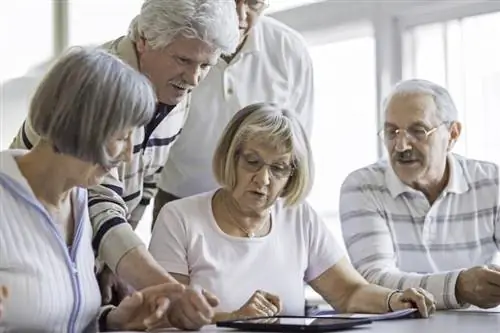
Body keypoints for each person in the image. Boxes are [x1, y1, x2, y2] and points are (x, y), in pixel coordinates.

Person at [9, 0, 239, 328]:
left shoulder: (177, 90)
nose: (194, 79)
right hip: (38, 236)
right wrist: (167, 289)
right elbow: (100, 204)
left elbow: (145, 184)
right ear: (144, 40)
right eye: (183, 60)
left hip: (86, 255)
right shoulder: (96, 87)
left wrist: (112, 264)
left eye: (206, 66)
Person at [149, 103, 436, 320]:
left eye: (278, 168)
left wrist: (395, 300)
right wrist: (234, 320)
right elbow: (166, 318)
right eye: (252, 162)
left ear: (292, 175)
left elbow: (349, 293)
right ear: (229, 157)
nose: (263, 179)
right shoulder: (179, 218)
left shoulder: (298, 216)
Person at [0, 47, 189, 332]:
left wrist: (109, 322)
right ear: (81, 126)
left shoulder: (78, 200)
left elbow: (61, 317)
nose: (127, 156)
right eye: (122, 137)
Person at [340, 79, 500, 310]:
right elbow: (374, 279)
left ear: (452, 135)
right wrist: (458, 286)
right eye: (391, 132)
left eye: (418, 131)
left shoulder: (492, 183)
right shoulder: (362, 186)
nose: (401, 145)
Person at [153, 0, 315, 223]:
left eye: (254, 3)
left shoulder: (290, 50)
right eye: (230, 1)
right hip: (180, 199)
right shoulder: (180, 41)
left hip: (261, 205)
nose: (240, 15)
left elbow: (297, 146)